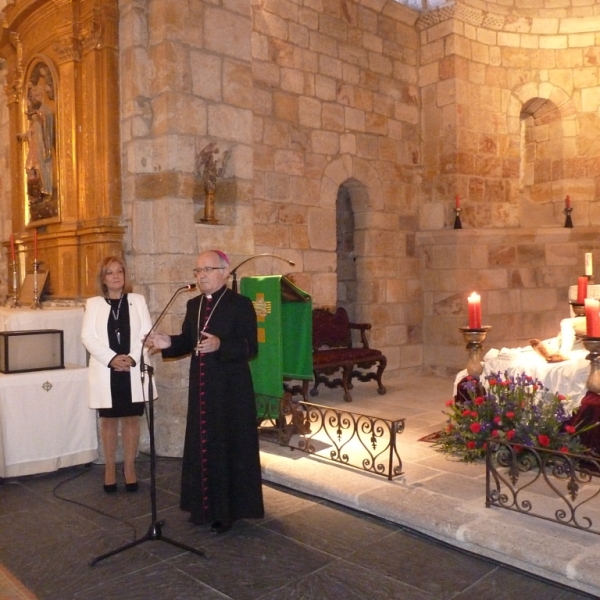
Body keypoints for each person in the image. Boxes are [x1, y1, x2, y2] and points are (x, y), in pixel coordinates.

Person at [146, 249, 264, 533]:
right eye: (197, 272)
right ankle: (202, 506)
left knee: (226, 445)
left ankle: (227, 511)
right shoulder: (193, 305)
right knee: (202, 445)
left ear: (224, 272)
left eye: (207, 270)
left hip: (231, 392)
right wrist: (167, 342)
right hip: (202, 391)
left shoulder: (241, 304)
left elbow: (251, 347)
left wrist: (220, 344)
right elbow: (187, 341)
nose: (201, 277)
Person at [82, 256, 154, 494]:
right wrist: (112, 359)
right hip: (107, 370)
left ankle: (130, 468)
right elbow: (88, 337)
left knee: (132, 420)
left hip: (131, 369)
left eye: (119, 272)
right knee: (109, 421)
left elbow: (147, 333)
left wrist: (132, 358)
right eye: (110, 272)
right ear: (103, 279)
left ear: (125, 276)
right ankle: (110, 468)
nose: (115, 276)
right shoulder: (93, 304)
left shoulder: (137, 300)